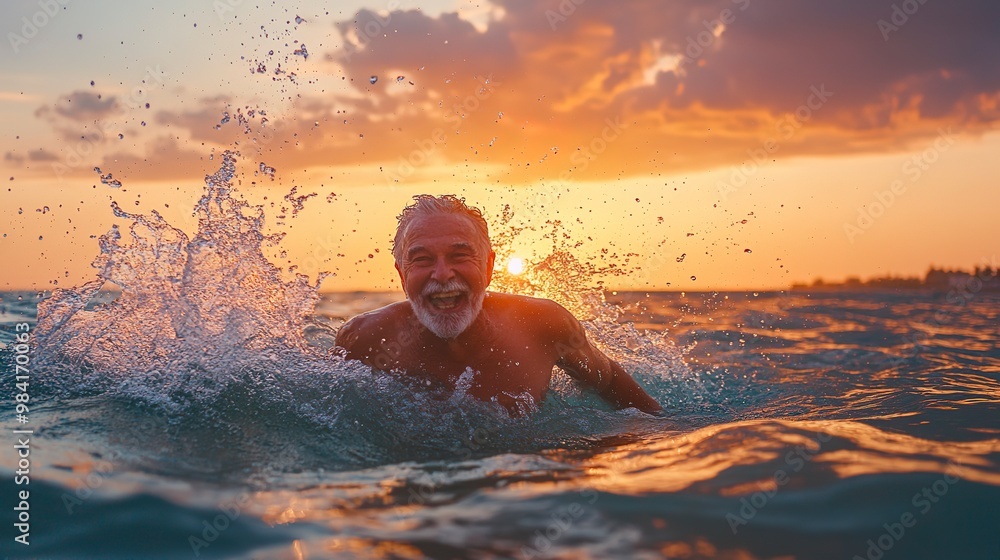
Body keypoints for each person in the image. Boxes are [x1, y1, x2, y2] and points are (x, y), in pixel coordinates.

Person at [335, 195, 662, 416]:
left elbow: (610, 385)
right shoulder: (365, 339)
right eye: (422, 260)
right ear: (402, 276)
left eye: (460, 256)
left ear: (490, 267)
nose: (442, 274)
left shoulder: (544, 325)